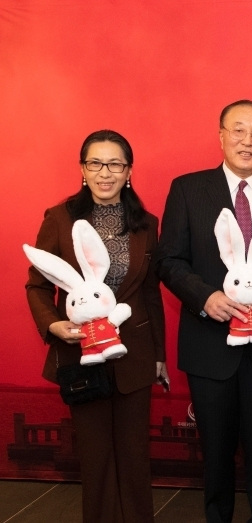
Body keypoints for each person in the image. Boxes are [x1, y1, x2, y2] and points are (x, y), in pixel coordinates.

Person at [154, 100, 252, 523]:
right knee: (216, 449)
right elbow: (169, 260)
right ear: (221, 136)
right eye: (238, 130)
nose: (248, 140)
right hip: (209, 342)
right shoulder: (188, 189)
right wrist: (204, 297)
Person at [26, 130, 166, 522]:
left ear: (129, 171)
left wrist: (158, 354)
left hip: (134, 354)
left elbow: (151, 292)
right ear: (83, 169)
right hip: (80, 355)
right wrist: (54, 325)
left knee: (135, 456)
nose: (105, 173)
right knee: (95, 456)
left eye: (115, 164)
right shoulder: (59, 218)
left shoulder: (146, 223)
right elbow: (37, 285)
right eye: (96, 163)